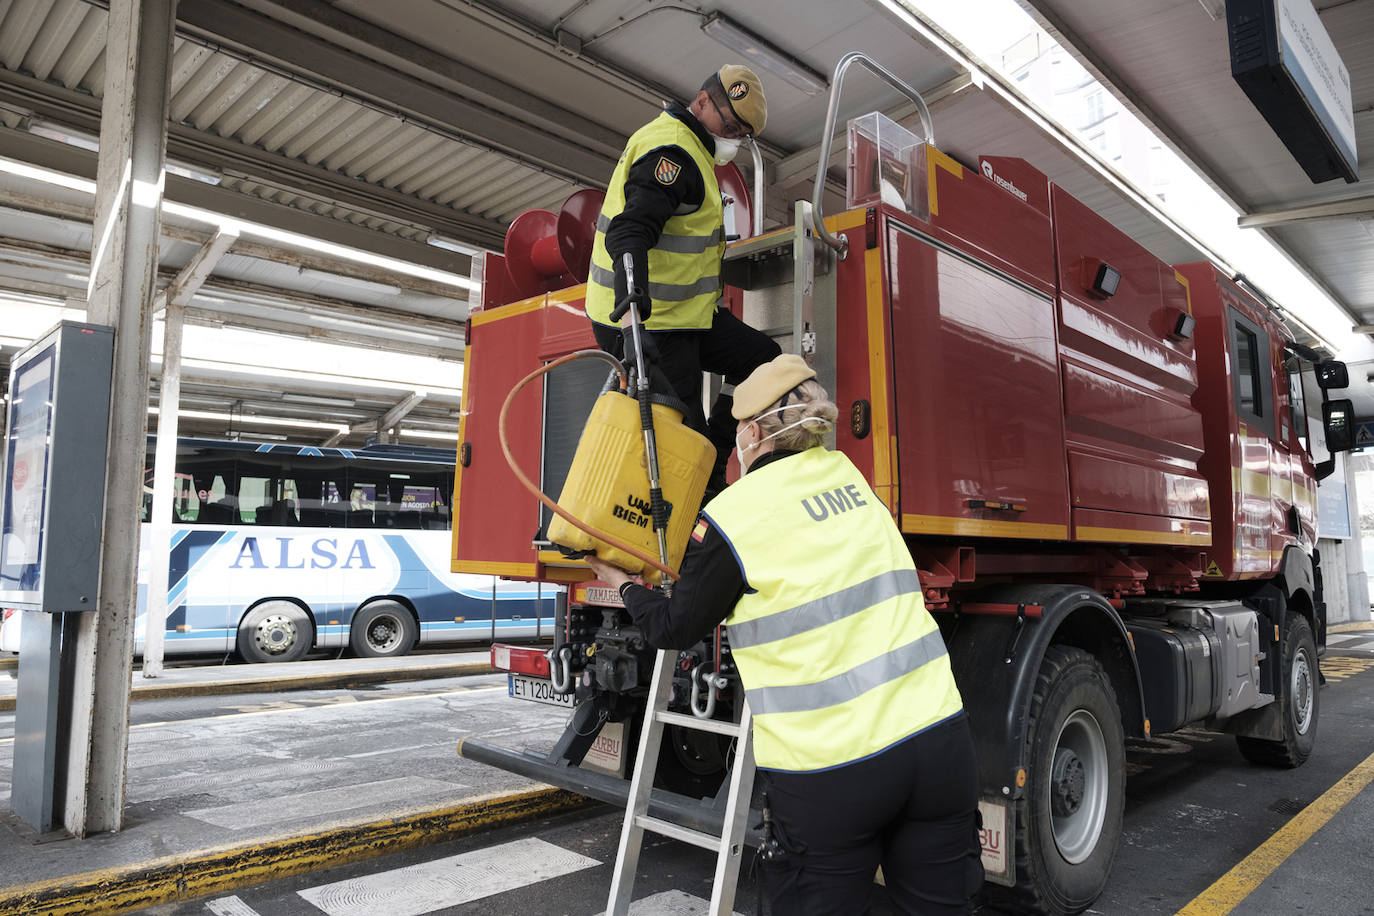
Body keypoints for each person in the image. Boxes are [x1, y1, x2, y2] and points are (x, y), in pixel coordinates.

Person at [585, 354, 984, 915]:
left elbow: (675, 626)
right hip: (938, 745)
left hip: (835, 770)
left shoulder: (734, 515)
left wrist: (624, 585)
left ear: (750, 433)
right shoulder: (852, 481)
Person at [585, 64, 782, 494]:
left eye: (743, 133)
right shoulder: (671, 152)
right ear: (703, 100)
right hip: (647, 321)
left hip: (686, 316)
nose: (733, 137)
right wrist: (631, 313)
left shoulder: (694, 150)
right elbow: (629, 232)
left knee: (762, 358)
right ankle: (691, 514)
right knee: (681, 447)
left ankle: (716, 453)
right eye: (730, 125)